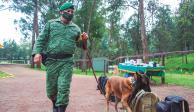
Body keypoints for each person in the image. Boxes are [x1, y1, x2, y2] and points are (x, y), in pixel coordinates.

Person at [32, 2, 88, 112]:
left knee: (64, 88)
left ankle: (60, 108)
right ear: (61, 12)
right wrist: (37, 53)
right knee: (51, 90)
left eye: (72, 12)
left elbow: (82, 46)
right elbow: (41, 39)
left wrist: (85, 40)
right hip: (52, 61)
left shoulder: (76, 29)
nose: (70, 13)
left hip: (67, 62)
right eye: (68, 11)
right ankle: (55, 104)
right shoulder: (51, 24)